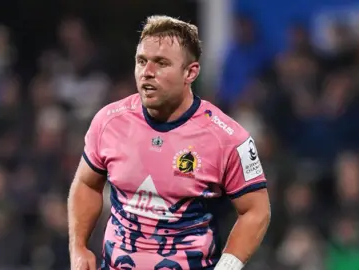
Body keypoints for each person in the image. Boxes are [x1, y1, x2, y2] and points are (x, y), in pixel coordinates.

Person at [68, 15, 271, 270]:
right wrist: (79, 247)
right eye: (141, 61)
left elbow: (256, 210)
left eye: (161, 63)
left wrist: (228, 265)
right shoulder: (108, 122)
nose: (147, 72)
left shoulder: (229, 138)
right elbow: (87, 183)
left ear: (190, 72)